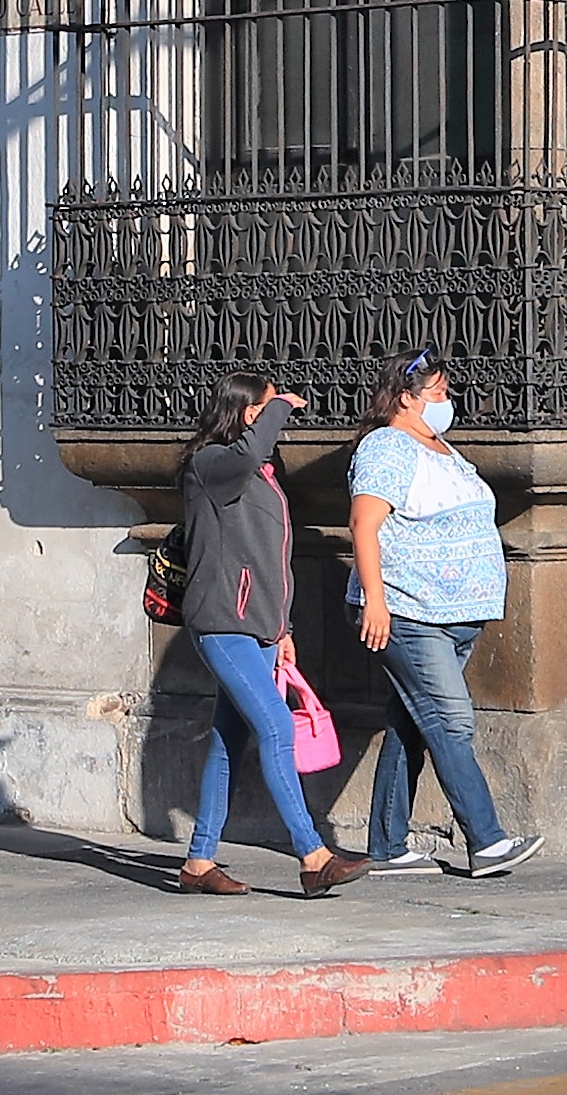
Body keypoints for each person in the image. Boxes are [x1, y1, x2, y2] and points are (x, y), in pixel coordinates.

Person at [343, 345, 537, 879]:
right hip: (410, 611)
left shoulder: (443, 448)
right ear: (405, 398)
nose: (447, 402)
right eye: (438, 393)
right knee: (450, 720)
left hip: (455, 613)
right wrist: (376, 602)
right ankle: (487, 839)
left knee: (412, 722)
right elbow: (364, 526)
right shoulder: (387, 448)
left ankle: (386, 847)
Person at [172, 378, 355, 900]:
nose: (281, 417)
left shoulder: (259, 476)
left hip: (262, 628)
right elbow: (248, 450)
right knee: (277, 724)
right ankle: (313, 854)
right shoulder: (210, 466)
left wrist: (285, 630)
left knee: (228, 741)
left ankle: (199, 862)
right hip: (222, 623)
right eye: (268, 407)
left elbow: (271, 563)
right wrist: (277, 408)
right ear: (248, 414)